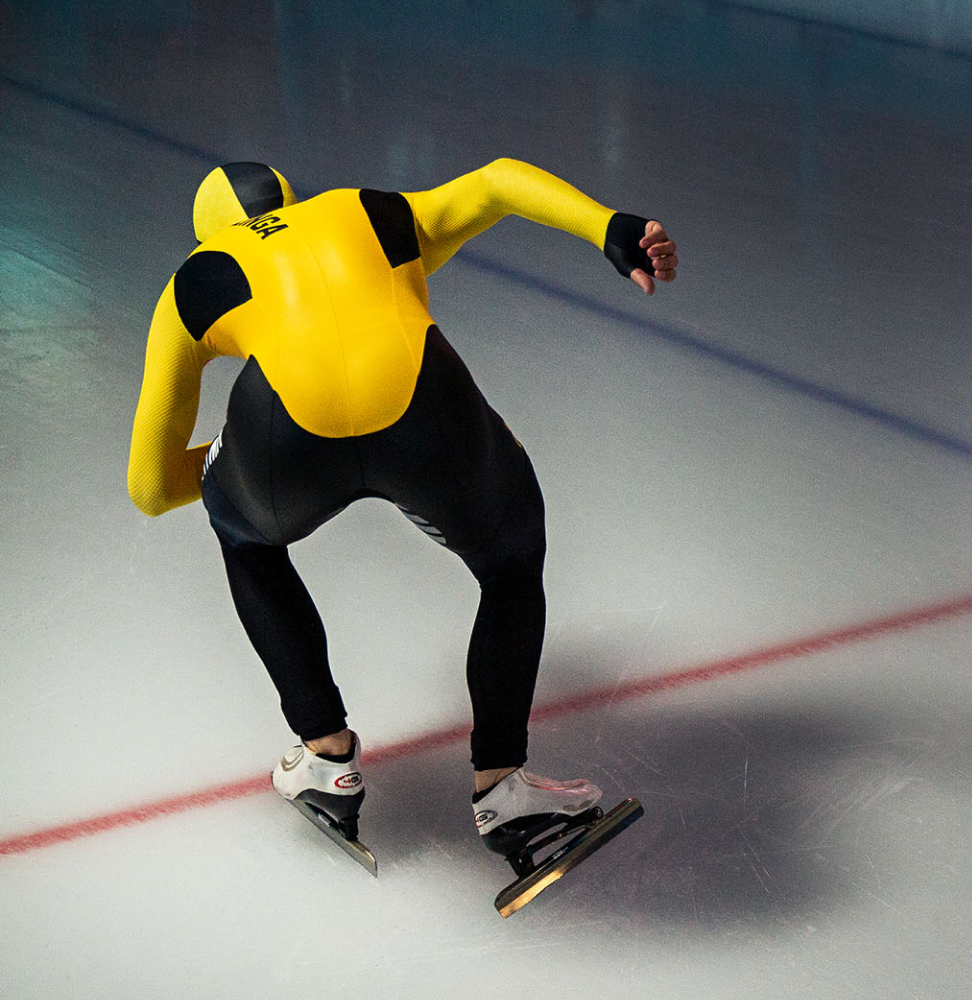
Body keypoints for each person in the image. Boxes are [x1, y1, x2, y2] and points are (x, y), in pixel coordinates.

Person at [127, 158, 676, 858]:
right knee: (510, 560)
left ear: (208, 235)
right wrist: (610, 226)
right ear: (292, 197)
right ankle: (503, 787)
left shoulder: (193, 282)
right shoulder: (364, 210)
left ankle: (325, 758)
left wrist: (222, 467)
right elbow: (498, 182)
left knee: (246, 537)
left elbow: (148, 489)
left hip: (281, 436)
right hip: (425, 404)